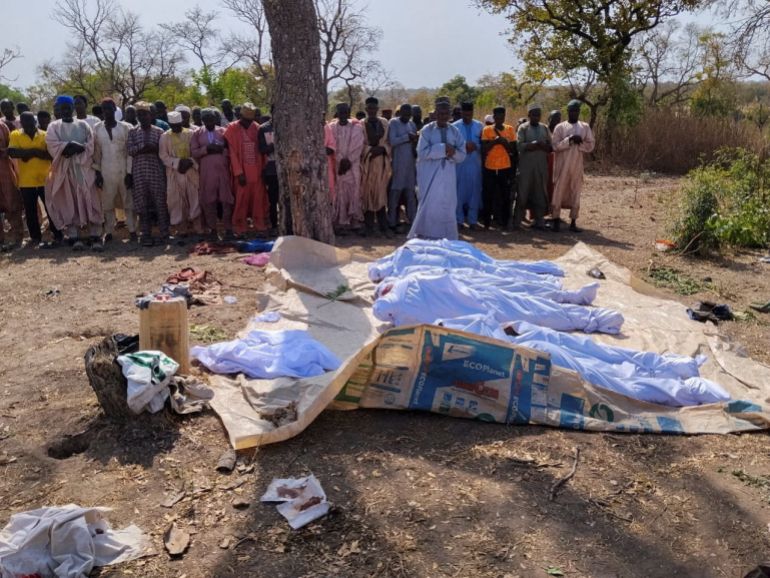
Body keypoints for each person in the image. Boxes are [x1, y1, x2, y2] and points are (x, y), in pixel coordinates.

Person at [45, 95, 103, 251]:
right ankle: (74, 236)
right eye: (61, 108)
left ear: (72, 108)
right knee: (69, 201)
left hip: (84, 168)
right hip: (64, 170)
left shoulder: (83, 125)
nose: (64, 111)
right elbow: (53, 145)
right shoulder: (53, 127)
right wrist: (69, 146)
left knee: (90, 200)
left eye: (67, 108)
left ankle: (95, 235)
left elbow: (90, 145)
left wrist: (78, 149)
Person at [408, 98, 466, 240]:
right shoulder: (427, 131)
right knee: (430, 203)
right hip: (430, 174)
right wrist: (442, 148)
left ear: (450, 114)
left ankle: (448, 235)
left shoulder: (455, 131)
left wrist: (453, 153)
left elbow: (462, 154)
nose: (443, 116)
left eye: (446, 113)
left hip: (448, 174)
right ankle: (427, 235)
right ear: (435, 113)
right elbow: (421, 152)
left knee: (448, 203)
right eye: (440, 113)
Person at [8, 111, 61, 247]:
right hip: (26, 181)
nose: (27, 124)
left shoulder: (45, 135)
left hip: (46, 179)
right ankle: (35, 237)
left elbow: (51, 155)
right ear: (21, 123)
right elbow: (12, 152)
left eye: (30, 121)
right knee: (31, 211)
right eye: (24, 121)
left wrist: (26, 153)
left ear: (34, 121)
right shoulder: (15, 135)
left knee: (51, 209)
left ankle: (58, 234)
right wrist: (35, 152)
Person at [93, 98, 136, 243]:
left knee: (128, 202)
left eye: (109, 108)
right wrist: (97, 173)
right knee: (107, 203)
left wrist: (130, 173)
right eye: (104, 109)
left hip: (124, 169)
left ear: (114, 109)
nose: (107, 112)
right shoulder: (97, 129)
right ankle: (109, 231)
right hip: (106, 170)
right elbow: (97, 153)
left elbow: (130, 152)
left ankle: (132, 230)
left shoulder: (126, 127)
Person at [127, 101, 169, 246]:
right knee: (142, 204)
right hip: (139, 173)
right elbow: (130, 150)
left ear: (150, 115)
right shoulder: (132, 132)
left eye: (145, 114)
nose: (142, 117)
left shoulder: (159, 131)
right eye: (139, 115)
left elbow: (164, 152)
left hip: (156, 171)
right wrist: (144, 147)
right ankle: (146, 234)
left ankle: (164, 234)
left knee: (160, 203)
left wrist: (154, 148)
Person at [551, 99, 595, 233]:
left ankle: (573, 222)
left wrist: (579, 142)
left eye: (576, 111)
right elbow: (555, 146)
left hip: (576, 165)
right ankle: (556, 220)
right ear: (568, 112)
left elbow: (591, 145)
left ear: (579, 112)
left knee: (575, 191)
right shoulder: (560, 127)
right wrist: (569, 140)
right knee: (558, 191)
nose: (574, 113)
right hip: (562, 165)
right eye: (571, 111)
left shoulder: (585, 127)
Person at [224, 102, 269, 236]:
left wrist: (263, 170)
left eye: (249, 120)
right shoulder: (232, 128)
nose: (247, 122)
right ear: (240, 116)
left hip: (257, 170)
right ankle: (240, 227)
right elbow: (231, 152)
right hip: (241, 172)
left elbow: (263, 152)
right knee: (241, 200)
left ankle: (259, 226)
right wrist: (239, 173)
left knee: (258, 200)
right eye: (244, 119)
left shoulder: (257, 128)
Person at [191, 108, 233, 240]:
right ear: (202, 120)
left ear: (215, 119)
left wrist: (221, 150)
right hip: (206, 171)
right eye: (206, 118)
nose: (209, 120)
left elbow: (231, 150)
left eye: (211, 118)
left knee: (226, 200)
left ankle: (228, 229)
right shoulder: (197, 133)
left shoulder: (223, 131)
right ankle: (213, 229)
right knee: (209, 201)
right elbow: (194, 152)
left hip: (223, 169)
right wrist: (207, 149)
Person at [159, 111, 202, 240]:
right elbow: (163, 156)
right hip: (175, 172)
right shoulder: (165, 137)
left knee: (195, 198)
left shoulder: (190, 133)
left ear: (181, 123)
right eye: (174, 126)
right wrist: (178, 163)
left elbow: (195, 151)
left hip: (190, 170)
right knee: (177, 201)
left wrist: (189, 162)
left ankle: (198, 227)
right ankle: (182, 229)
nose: (176, 128)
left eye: (178, 125)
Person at [328, 102, 365, 235]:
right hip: (337, 165)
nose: (343, 114)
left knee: (354, 191)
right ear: (337, 113)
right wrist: (340, 161)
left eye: (345, 111)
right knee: (339, 192)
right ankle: (340, 221)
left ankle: (354, 220)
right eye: (341, 112)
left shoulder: (357, 127)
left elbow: (358, 145)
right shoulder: (331, 127)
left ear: (349, 112)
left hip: (352, 164)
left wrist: (348, 161)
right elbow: (331, 145)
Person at [515, 103, 552, 230]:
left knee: (540, 193)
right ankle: (518, 221)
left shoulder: (545, 128)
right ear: (529, 115)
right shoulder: (523, 128)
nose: (536, 117)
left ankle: (539, 220)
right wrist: (533, 145)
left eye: (538, 115)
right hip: (526, 167)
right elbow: (519, 146)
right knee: (522, 193)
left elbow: (550, 147)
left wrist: (542, 145)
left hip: (541, 167)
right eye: (534, 114)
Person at [360, 96, 392, 237]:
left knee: (380, 193)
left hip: (381, 164)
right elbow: (358, 144)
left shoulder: (384, 123)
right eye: (369, 108)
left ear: (377, 109)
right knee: (367, 193)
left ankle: (383, 226)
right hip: (367, 163)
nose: (372, 110)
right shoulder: (360, 125)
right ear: (366, 109)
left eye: (374, 108)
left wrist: (383, 149)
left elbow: (389, 141)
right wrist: (369, 150)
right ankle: (369, 227)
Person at [481, 106, 517, 230]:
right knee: (488, 195)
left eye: (502, 116)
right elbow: (484, 149)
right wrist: (495, 141)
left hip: (505, 167)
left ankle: (505, 222)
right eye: (497, 116)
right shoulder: (487, 130)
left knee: (505, 196)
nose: (500, 119)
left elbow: (513, 150)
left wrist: (505, 142)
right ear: (494, 117)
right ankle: (486, 223)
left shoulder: (510, 130)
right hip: (490, 167)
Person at [453, 101, 484, 231]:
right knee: (458, 193)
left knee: (474, 193)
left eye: (470, 114)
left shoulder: (479, 126)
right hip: (459, 164)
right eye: (465, 114)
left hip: (475, 164)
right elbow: (451, 145)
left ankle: (472, 221)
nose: (467, 116)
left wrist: (476, 146)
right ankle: (459, 221)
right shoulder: (454, 127)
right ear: (461, 113)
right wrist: (463, 146)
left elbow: (485, 145)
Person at [388, 103, 417, 233]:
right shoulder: (393, 123)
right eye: (405, 113)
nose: (407, 116)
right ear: (400, 112)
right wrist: (407, 138)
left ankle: (413, 222)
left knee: (410, 193)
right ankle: (392, 222)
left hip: (410, 163)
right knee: (395, 193)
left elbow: (415, 142)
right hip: (398, 163)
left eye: (409, 114)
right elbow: (392, 141)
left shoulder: (412, 124)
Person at [258, 110, 284, 233]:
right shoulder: (263, 128)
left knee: (287, 199)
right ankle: (274, 225)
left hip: (287, 167)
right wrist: (273, 146)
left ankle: (287, 225)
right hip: (271, 168)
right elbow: (261, 149)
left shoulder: (288, 124)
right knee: (273, 200)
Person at [0, 120, 23, 250]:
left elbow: (11, 148)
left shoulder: (2, 126)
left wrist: (3, 151)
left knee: (12, 204)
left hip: (5, 170)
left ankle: (17, 238)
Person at [546, 109, 562, 212]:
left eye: (558, 119)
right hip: (546, 162)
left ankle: (554, 211)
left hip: (557, 162)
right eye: (554, 118)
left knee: (555, 187)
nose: (556, 121)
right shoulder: (544, 130)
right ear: (549, 119)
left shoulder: (561, 131)